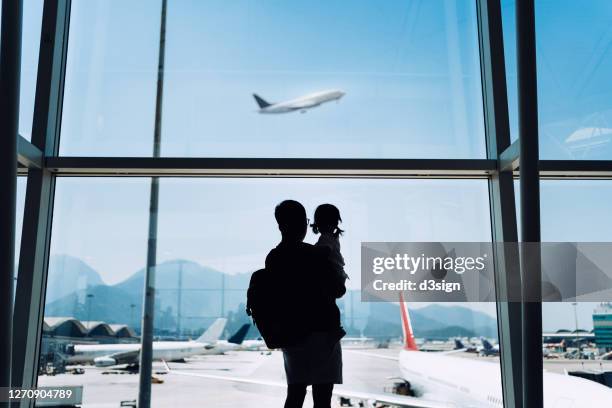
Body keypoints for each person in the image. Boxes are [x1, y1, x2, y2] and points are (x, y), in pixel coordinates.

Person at [264, 200, 346, 408]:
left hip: (292, 335)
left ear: (280, 225)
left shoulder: (274, 258)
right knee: (322, 397)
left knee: (295, 394)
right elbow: (339, 290)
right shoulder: (316, 255)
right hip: (323, 334)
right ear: (303, 223)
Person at [311, 204, 349, 282]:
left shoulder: (326, 237)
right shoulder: (333, 237)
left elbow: (324, 252)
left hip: (334, 275)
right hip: (338, 274)